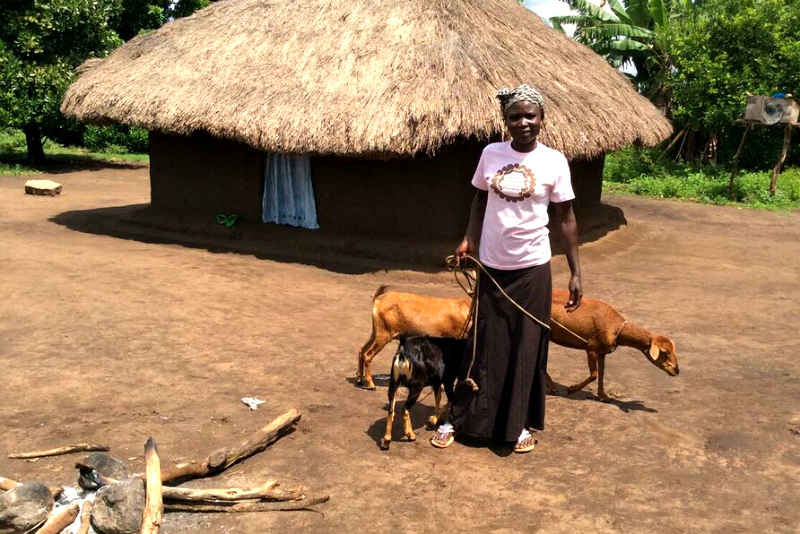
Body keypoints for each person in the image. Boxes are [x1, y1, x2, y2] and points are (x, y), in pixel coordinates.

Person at [431, 84, 583, 453]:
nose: (523, 123)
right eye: (515, 116)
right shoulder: (491, 154)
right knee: (482, 342)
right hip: (492, 266)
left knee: (525, 345)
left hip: (532, 267)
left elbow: (566, 219)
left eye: (530, 115)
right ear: (505, 120)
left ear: (542, 119)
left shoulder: (554, 162)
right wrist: (469, 238)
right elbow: (479, 200)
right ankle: (461, 415)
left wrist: (576, 271)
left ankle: (517, 425)